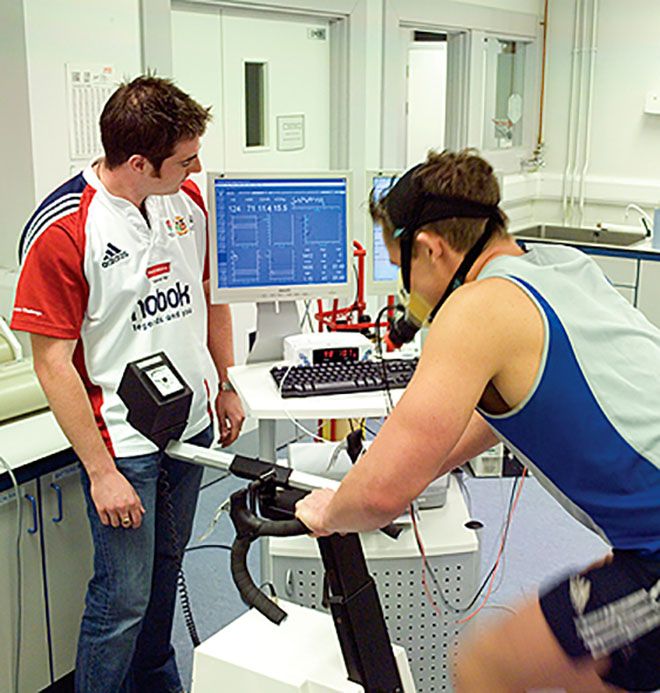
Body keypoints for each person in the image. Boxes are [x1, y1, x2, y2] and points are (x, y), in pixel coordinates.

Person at [295, 149, 660, 692]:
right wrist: (409, 469)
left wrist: (335, 508)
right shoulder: (560, 269)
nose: (408, 290)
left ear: (431, 248)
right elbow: (503, 414)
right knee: (589, 674)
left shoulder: (475, 310)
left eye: (403, 269)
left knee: (485, 667)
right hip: (644, 538)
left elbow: (378, 499)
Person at [11, 75, 245, 693]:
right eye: (186, 158)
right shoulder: (65, 230)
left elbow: (212, 298)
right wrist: (100, 470)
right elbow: (52, 364)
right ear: (139, 162)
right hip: (124, 446)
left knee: (166, 575)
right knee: (121, 603)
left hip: (190, 427)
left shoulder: (185, 201)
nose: (198, 167)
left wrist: (223, 383)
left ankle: (157, 684)